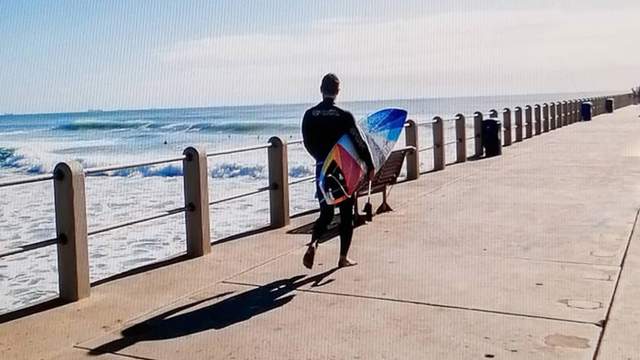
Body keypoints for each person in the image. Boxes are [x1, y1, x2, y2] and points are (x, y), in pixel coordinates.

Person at [301, 73, 373, 269]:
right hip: (344, 171)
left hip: (323, 169)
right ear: (338, 91)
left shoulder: (309, 115)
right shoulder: (344, 116)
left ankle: (314, 243)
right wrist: (370, 165)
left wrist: (321, 159)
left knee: (326, 213)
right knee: (346, 214)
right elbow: (359, 143)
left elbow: (307, 143)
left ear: (321, 89)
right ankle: (342, 257)